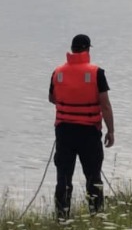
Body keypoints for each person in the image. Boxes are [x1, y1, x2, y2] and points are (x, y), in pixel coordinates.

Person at [48, 34, 115, 218]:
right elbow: (105, 105)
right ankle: (96, 215)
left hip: (64, 131)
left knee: (63, 177)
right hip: (89, 132)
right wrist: (111, 131)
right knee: (93, 176)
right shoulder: (96, 73)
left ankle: (62, 217)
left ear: (72, 49)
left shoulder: (58, 72)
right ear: (87, 50)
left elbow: (52, 98)